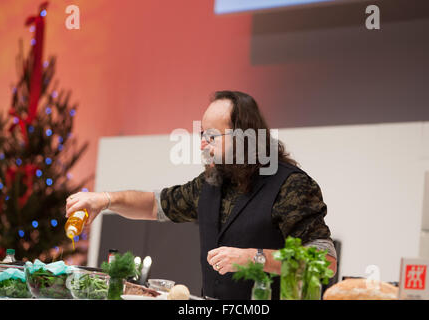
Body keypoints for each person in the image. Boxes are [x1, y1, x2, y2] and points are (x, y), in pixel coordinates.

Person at [66, 90, 337, 300]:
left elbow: (324, 262)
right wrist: (104, 199)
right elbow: (153, 205)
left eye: (211, 136)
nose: (202, 144)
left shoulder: (291, 185)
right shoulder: (211, 183)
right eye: (201, 135)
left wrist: (252, 258)